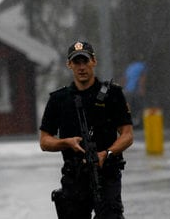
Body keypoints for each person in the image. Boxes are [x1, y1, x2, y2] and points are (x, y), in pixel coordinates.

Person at [39, 41, 134, 219]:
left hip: (106, 173)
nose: (81, 67)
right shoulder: (58, 99)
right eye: (77, 63)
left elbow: (127, 135)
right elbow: (44, 141)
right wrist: (65, 143)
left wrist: (107, 153)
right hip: (75, 177)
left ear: (94, 62)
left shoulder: (112, 94)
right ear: (69, 65)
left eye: (85, 61)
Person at [122, 57, 147, 128]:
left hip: (128, 90)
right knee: (139, 107)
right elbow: (142, 79)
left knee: (130, 108)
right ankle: (139, 124)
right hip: (136, 90)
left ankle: (130, 123)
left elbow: (125, 79)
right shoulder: (142, 66)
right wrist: (142, 89)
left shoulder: (129, 67)